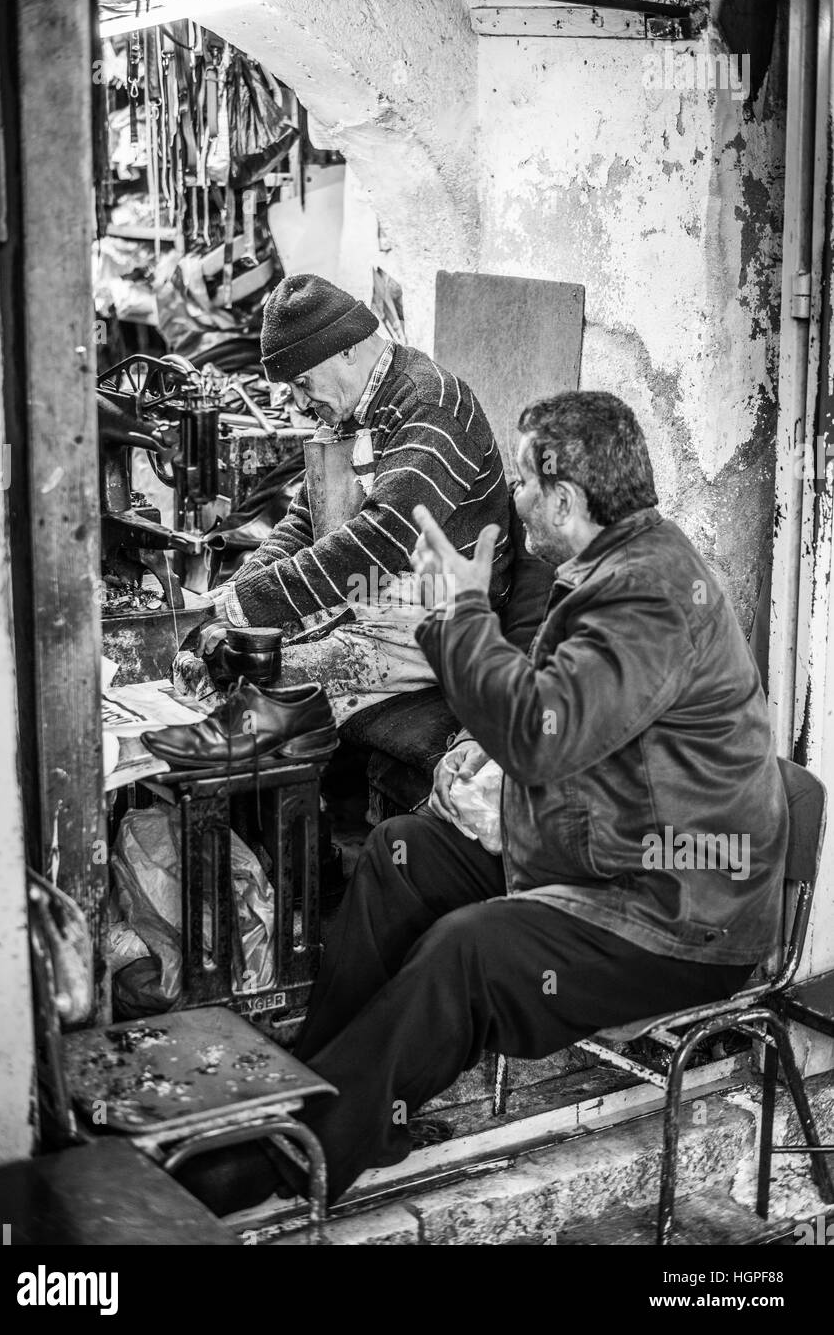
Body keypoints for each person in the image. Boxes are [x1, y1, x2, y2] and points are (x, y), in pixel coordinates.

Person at [181, 390, 788, 1214]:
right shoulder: (606, 570)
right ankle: (317, 1102)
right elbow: (566, 718)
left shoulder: (647, 592)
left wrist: (459, 612)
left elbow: (542, 735)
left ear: (566, 500)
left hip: (675, 908)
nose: (516, 493)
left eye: (528, 481)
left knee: (468, 947)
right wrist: (480, 753)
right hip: (602, 855)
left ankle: (294, 1166)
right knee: (405, 853)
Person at [175, 273, 513, 724]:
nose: (297, 402)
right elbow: (303, 523)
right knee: (198, 657)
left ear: (347, 349)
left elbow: (378, 541)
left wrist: (243, 606)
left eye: (302, 382)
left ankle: (293, 791)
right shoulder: (345, 412)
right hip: (368, 597)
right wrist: (236, 591)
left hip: (437, 618)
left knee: (235, 686)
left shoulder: (430, 405)